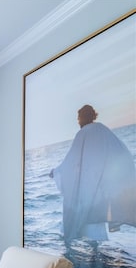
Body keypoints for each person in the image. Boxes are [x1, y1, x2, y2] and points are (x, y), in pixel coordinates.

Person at [51, 104, 136, 245]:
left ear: (83, 117)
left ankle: (77, 252)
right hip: (99, 186)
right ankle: (96, 250)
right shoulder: (102, 129)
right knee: (95, 218)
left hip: (87, 187)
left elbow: (72, 161)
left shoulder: (83, 133)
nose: (78, 121)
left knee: (81, 215)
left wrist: (56, 172)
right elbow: (120, 151)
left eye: (78, 118)